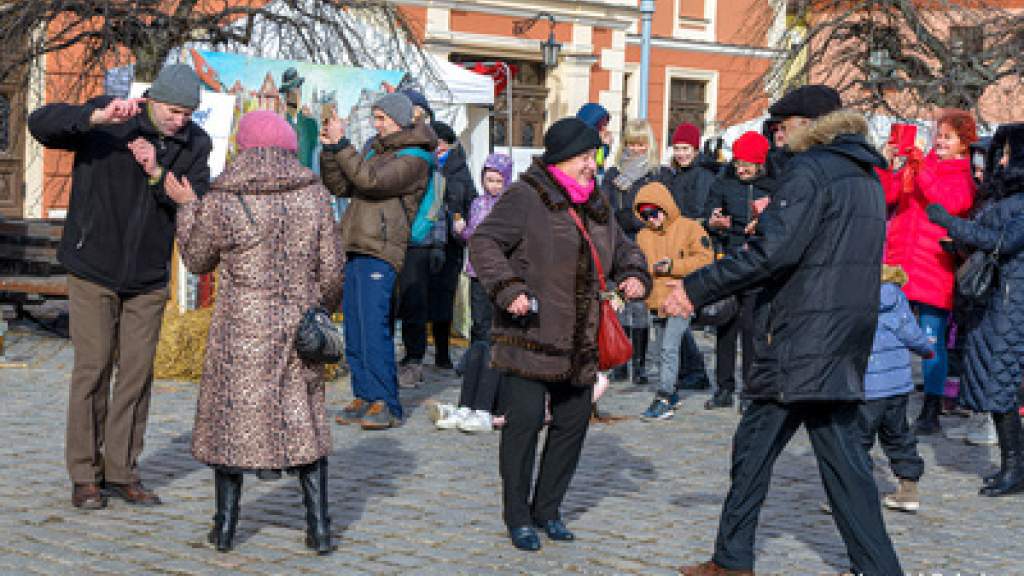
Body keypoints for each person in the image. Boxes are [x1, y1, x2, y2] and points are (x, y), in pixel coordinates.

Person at [666, 85, 904, 576]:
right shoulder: (864, 175)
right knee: (842, 462)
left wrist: (695, 288)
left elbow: (773, 254)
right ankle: (876, 568)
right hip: (840, 334)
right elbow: (821, 245)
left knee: (756, 451)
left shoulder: (810, 170)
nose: (777, 134)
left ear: (808, 124)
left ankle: (732, 562)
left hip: (799, 336)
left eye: (783, 124)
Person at [28, 64, 212, 509]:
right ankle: (85, 475)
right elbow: (40, 124)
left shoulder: (195, 143)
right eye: (173, 111)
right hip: (93, 267)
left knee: (135, 375)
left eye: (188, 113)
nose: (180, 120)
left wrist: (155, 172)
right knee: (92, 369)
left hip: (148, 277)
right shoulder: (109, 118)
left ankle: (122, 471)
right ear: (153, 101)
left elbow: (195, 198)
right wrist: (94, 119)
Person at [469, 117, 650, 551]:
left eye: (594, 156)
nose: (593, 164)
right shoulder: (525, 196)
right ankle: (518, 516)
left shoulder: (596, 201)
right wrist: (508, 288)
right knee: (525, 424)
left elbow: (623, 247)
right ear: (562, 159)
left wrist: (634, 273)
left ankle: (548, 509)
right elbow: (484, 243)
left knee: (571, 425)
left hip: (580, 340)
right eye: (586, 157)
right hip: (531, 332)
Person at [175, 110, 344, 553]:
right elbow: (331, 271)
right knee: (304, 425)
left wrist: (187, 207)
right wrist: (318, 313)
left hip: (240, 328)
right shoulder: (315, 196)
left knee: (229, 424)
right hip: (298, 328)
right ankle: (320, 528)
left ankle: (225, 528)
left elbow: (196, 261)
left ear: (243, 146)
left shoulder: (224, 197)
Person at [320, 92, 437, 430]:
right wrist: (331, 150)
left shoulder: (416, 157)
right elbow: (342, 185)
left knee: (374, 327)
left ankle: (386, 401)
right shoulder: (374, 148)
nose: (376, 124)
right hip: (356, 243)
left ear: (399, 120)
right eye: (375, 118)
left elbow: (371, 182)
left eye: (381, 118)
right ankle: (364, 394)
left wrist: (343, 145)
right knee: (355, 327)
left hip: (382, 247)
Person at [926, 122, 1024, 497]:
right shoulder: (1001, 197)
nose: (999, 160)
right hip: (995, 301)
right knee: (999, 387)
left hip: (1012, 303)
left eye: (1006, 153)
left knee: (1003, 387)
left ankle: (1014, 469)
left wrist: (950, 223)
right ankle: (1014, 467)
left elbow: (1003, 242)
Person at [879, 109, 977, 435]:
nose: (940, 141)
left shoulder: (963, 175)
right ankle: (885, 397)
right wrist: (888, 164)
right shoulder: (922, 167)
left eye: (948, 137)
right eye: (939, 135)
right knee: (888, 335)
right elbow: (889, 196)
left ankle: (931, 408)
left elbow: (949, 204)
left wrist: (920, 170)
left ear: (964, 144)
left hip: (933, 266)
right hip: (900, 263)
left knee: (931, 339)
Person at [431, 153, 515, 432]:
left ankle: (490, 399)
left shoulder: (509, 207)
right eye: (488, 180)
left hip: (499, 277)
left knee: (494, 334)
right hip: (476, 272)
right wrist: (461, 230)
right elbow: (472, 235)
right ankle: (472, 393)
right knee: (478, 331)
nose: (492, 185)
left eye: (497, 180)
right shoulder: (478, 204)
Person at [702, 131, 776, 410]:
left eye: (747, 164)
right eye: (738, 163)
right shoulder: (725, 183)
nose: (741, 169)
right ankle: (724, 387)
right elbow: (708, 213)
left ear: (759, 164)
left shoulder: (771, 186)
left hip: (758, 263)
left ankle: (750, 390)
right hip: (729, 258)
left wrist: (762, 226)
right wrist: (714, 222)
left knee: (752, 329)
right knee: (726, 325)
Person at [632, 182, 713, 420]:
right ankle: (687, 380)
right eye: (645, 214)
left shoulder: (688, 228)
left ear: (665, 208)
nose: (651, 219)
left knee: (668, 348)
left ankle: (665, 395)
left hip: (682, 299)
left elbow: (705, 260)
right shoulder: (643, 236)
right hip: (656, 301)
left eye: (654, 212)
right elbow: (639, 266)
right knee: (663, 349)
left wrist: (674, 267)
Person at [860, 265, 934, 513]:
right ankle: (909, 487)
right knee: (898, 434)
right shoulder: (894, 295)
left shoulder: (852, 294)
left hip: (866, 386)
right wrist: (926, 350)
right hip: (897, 386)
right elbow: (911, 332)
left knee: (856, 440)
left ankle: (853, 494)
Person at [602, 119, 662, 383]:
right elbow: (603, 208)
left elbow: (661, 210)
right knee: (618, 302)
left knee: (639, 306)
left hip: (644, 241)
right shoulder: (613, 175)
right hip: (617, 242)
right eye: (631, 144)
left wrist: (635, 219)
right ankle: (618, 361)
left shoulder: (656, 174)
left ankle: (638, 365)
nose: (636, 149)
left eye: (641, 144)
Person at [659, 122, 717, 392]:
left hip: (691, 249)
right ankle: (691, 369)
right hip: (673, 247)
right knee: (674, 313)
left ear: (695, 149)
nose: (681, 153)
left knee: (681, 313)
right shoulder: (672, 175)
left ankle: (694, 369)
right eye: (678, 148)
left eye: (686, 149)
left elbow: (698, 212)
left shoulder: (703, 176)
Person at [576, 102, 613, 181]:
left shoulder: (599, 141)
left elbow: (599, 161)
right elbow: (596, 161)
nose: (604, 129)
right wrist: (604, 145)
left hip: (597, 178)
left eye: (605, 125)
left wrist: (604, 146)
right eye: (600, 125)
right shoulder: (581, 141)